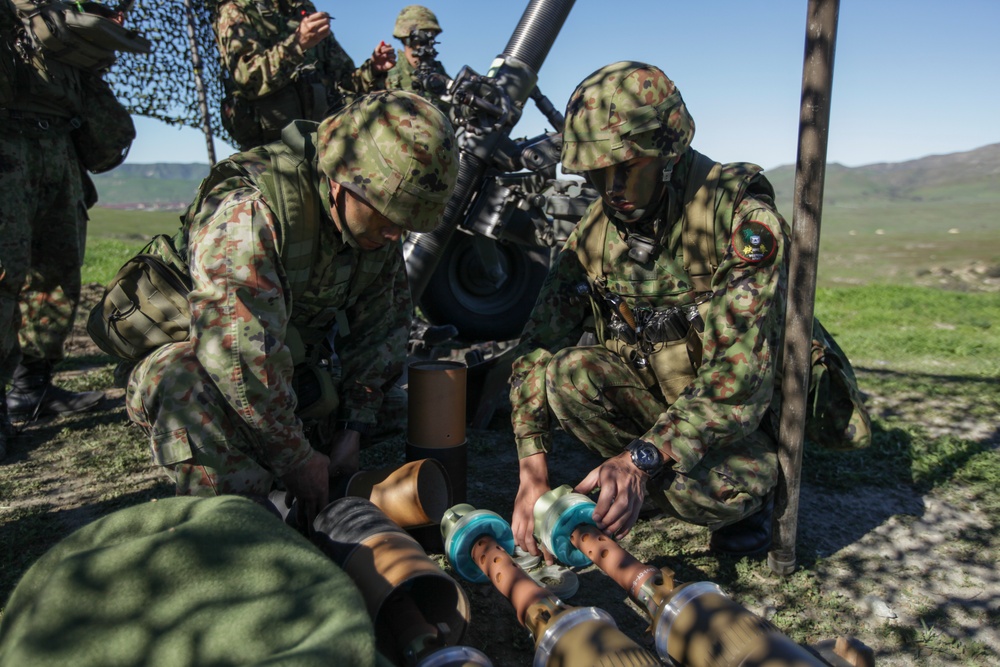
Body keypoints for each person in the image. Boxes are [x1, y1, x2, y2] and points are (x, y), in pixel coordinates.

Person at [124, 91, 458, 530]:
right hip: (221, 382)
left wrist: (353, 428)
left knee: (411, 409)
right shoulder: (248, 212)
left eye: (405, 222)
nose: (395, 234)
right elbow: (237, 358)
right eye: (389, 217)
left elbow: (383, 331)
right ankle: (243, 521)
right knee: (180, 379)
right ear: (341, 181)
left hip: (292, 381)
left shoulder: (376, 227)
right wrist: (296, 456)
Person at [508, 61, 791, 559]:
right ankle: (656, 477)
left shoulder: (739, 218)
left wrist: (640, 460)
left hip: (736, 422)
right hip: (662, 409)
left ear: (667, 150)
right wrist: (532, 464)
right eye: (596, 173)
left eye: (625, 167)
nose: (610, 187)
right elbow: (539, 346)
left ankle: (745, 502)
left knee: (721, 492)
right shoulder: (595, 232)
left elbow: (737, 377)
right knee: (566, 374)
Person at [1, 0, 141, 460]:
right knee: (5, 273)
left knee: (59, 272)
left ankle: (32, 386)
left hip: (59, 143)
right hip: (7, 140)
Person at [213, 0, 396, 151]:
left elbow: (344, 81)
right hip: (271, 154)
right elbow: (248, 78)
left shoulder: (303, 9)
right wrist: (297, 45)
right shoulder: (235, 10)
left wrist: (373, 68)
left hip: (323, 145)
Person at [385, 5, 451, 111]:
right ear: (406, 38)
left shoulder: (440, 75)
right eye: (423, 35)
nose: (428, 40)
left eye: (432, 35)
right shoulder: (389, 78)